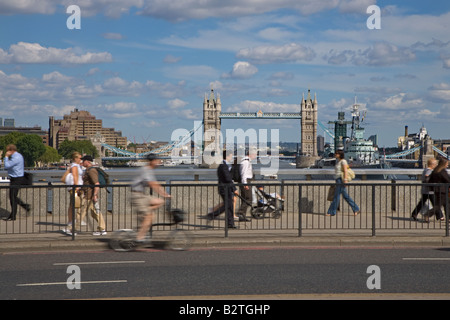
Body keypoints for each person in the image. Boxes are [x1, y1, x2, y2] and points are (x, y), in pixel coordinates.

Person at [131, 154, 170, 242]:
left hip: (142, 195)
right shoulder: (146, 170)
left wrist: (164, 194)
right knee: (149, 217)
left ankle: (144, 213)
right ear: (152, 161)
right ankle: (139, 238)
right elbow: (152, 184)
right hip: (137, 196)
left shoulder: (149, 170)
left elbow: (156, 184)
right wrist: (164, 194)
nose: (158, 162)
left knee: (160, 201)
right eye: (156, 160)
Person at [207, 150, 237, 228]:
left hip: (226, 188)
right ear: (227, 156)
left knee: (229, 205)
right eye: (231, 156)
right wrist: (234, 188)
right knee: (228, 205)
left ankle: (230, 224)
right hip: (224, 188)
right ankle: (212, 215)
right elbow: (228, 178)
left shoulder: (224, 165)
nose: (231, 157)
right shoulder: (223, 166)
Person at [327, 150, 360, 216]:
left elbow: (345, 170)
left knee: (336, 196)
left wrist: (345, 180)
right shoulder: (338, 161)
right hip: (338, 179)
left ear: (340, 154)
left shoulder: (343, 161)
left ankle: (332, 212)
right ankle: (356, 209)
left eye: (336, 153)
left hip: (340, 180)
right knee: (345, 196)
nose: (335, 154)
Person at [79, 155, 107, 235]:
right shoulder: (88, 170)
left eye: (83, 160)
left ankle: (72, 229)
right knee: (95, 212)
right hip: (88, 195)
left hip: (90, 195)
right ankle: (102, 229)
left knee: (81, 212)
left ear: (87, 161)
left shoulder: (91, 171)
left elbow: (96, 183)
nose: (82, 162)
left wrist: (94, 195)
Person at [3, 144, 31, 221]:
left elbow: (6, 166)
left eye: (7, 150)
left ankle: (13, 216)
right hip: (15, 178)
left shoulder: (16, 157)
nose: (7, 152)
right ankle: (24, 207)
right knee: (13, 196)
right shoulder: (18, 156)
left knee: (12, 197)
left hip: (16, 179)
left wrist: (6, 157)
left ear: (11, 150)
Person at [62, 151, 85, 235]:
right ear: (75, 158)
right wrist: (77, 187)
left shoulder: (75, 166)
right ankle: (70, 226)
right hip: (75, 189)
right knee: (73, 206)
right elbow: (75, 176)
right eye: (80, 158)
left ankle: (71, 224)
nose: (81, 159)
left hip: (74, 188)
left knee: (73, 206)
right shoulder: (75, 166)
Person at [426, 157, 450, 222]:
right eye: (447, 163)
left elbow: (430, 180)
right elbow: (448, 180)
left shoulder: (435, 170)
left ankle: (449, 217)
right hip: (443, 190)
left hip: (436, 190)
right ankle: (427, 214)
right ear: (444, 163)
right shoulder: (442, 171)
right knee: (438, 206)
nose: (447, 165)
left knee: (447, 204)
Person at [236, 149, 256, 221]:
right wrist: (245, 184)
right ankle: (241, 212)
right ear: (251, 154)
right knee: (248, 198)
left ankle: (242, 215)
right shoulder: (245, 162)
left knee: (245, 198)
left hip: (246, 181)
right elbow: (243, 174)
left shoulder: (247, 161)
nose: (255, 156)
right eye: (255, 154)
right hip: (246, 181)